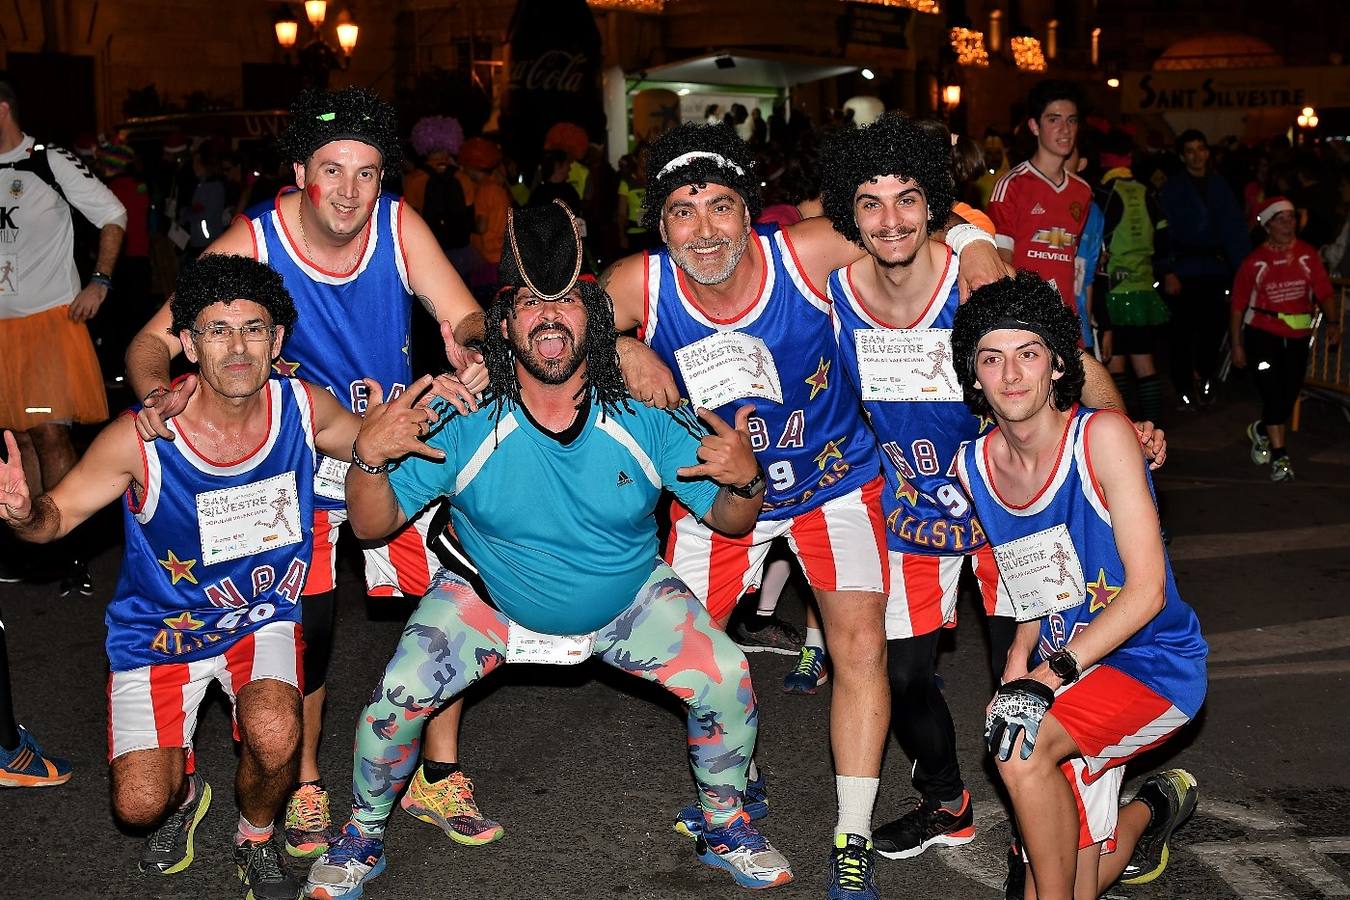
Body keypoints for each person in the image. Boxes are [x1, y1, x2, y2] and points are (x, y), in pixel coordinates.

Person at [304, 201, 793, 897]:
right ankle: (361, 835)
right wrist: (370, 461)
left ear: (596, 320)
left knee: (727, 675)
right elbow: (371, 527)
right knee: (392, 703)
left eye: (567, 302)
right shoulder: (461, 416)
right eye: (533, 303)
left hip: (626, 598)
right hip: (492, 598)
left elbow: (733, 520)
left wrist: (746, 478)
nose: (551, 316)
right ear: (503, 324)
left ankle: (726, 825)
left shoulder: (645, 411)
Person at [595, 121, 1010, 898]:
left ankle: (849, 834)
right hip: (721, 495)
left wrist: (973, 240)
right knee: (683, 653)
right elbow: (539, 315)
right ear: (660, 224)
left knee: (859, 648)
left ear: (751, 210)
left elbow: (903, 220)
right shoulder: (640, 284)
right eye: (684, 211)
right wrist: (619, 347)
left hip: (834, 481)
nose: (707, 228)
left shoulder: (804, 252)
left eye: (722, 205)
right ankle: (738, 775)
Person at [124, 87, 490, 861]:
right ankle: (306, 781)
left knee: (452, 602)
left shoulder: (397, 224)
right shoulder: (254, 238)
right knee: (307, 630)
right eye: (333, 171)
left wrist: (474, 341)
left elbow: (461, 313)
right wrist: (160, 393)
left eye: (367, 172)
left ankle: (439, 772)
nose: (352, 191)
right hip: (294, 457)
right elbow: (152, 340)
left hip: (388, 441)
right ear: (300, 172)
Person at [0, 254, 412, 899]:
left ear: (278, 341)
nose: (239, 346)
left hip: (260, 615)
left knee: (277, 729)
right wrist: (23, 513)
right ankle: (186, 790)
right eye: (218, 330)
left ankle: (256, 837)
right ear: (188, 343)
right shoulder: (142, 439)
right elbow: (54, 521)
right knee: (139, 805)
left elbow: (370, 443)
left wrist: (418, 417)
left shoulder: (303, 408)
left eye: (254, 328)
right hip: (159, 633)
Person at [950, 272, 1207, 900]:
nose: (1011, 375)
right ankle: (1154, 808)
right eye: (992, 358)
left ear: (1058, 363)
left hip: (1150, 664)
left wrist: (1052, 673)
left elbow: (1146, 592)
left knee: (1016, 742)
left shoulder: (1102, 436)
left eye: (1028, 354)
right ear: (973, 374)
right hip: (1066, 668)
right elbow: (1036, 567)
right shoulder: (976, 464)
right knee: (1064, 882)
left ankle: (1136, 813)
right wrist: (1019, 654)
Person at [0, 75, 126, 593]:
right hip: (3, 329)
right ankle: (33, 542)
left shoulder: (46, 160)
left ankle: (70, 549)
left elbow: (113, 215)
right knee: (20, 436)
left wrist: (100, 279)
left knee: (50, 431)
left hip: (50, 322)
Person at [1230, 196, 1340, 482]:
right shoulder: (1254, 262)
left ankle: (1262, 430)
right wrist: (1237, 345)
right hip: (1262, 335)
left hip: (1298, 337)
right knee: (1272, 391)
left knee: (1289, 393)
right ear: (1267, 225)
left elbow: (1325, 292)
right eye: (1280, 219)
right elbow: (1238, 307)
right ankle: (1281, 457)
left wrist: (1333, 323)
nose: (1288, 223)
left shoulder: (1307, 255)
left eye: (1291, 217)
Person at [1157, 130, 1250, 409]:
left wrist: (1243, 272)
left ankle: (1206, 377)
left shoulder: (1221, 186)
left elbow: (1235, 230)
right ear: (1183, 155)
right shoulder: (1172, 188)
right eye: (1190, 150)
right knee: (1181, 334)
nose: (1197, 155)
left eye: (1201, 148)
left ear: (1207, 152)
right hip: (1182, 271)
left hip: (1214, 269)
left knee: (1212, 330)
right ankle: (1183, 385)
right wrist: (1167, 270)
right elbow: (1162, 232)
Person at [988, 80, 1093, 308]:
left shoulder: (1082, 192)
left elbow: (1072, 265)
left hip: (1066, 321)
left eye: (1071, 121)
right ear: (1035, 126)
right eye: (1054, 119)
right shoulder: (1011, 185)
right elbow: (1000, 263)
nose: (1065, 129)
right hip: (1024, 319)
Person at [1094, 130, 1172, 427]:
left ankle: (1122, 431)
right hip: (1143, 290)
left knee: (1115, 364)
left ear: (1104, 160)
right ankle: (1154, 429)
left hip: (1112, 288)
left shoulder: (1102, 194)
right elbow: (1164, 238)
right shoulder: (1147, 191)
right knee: (1144, 361)